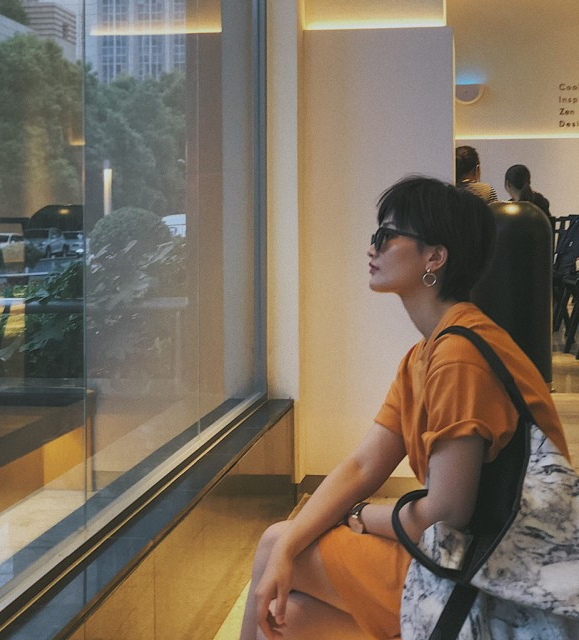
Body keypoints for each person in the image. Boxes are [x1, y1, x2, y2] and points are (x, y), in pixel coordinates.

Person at [239, 176, 570, 640]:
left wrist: (358, 517)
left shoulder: (460, 355)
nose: (372, 247)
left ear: (435, 257)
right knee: (288, 615)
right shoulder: (425, 354)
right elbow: (362, 465)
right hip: (466, 560)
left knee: (274, 547)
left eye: (386, 235)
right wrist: (299, 536)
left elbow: (447, 511)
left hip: (487, 576)